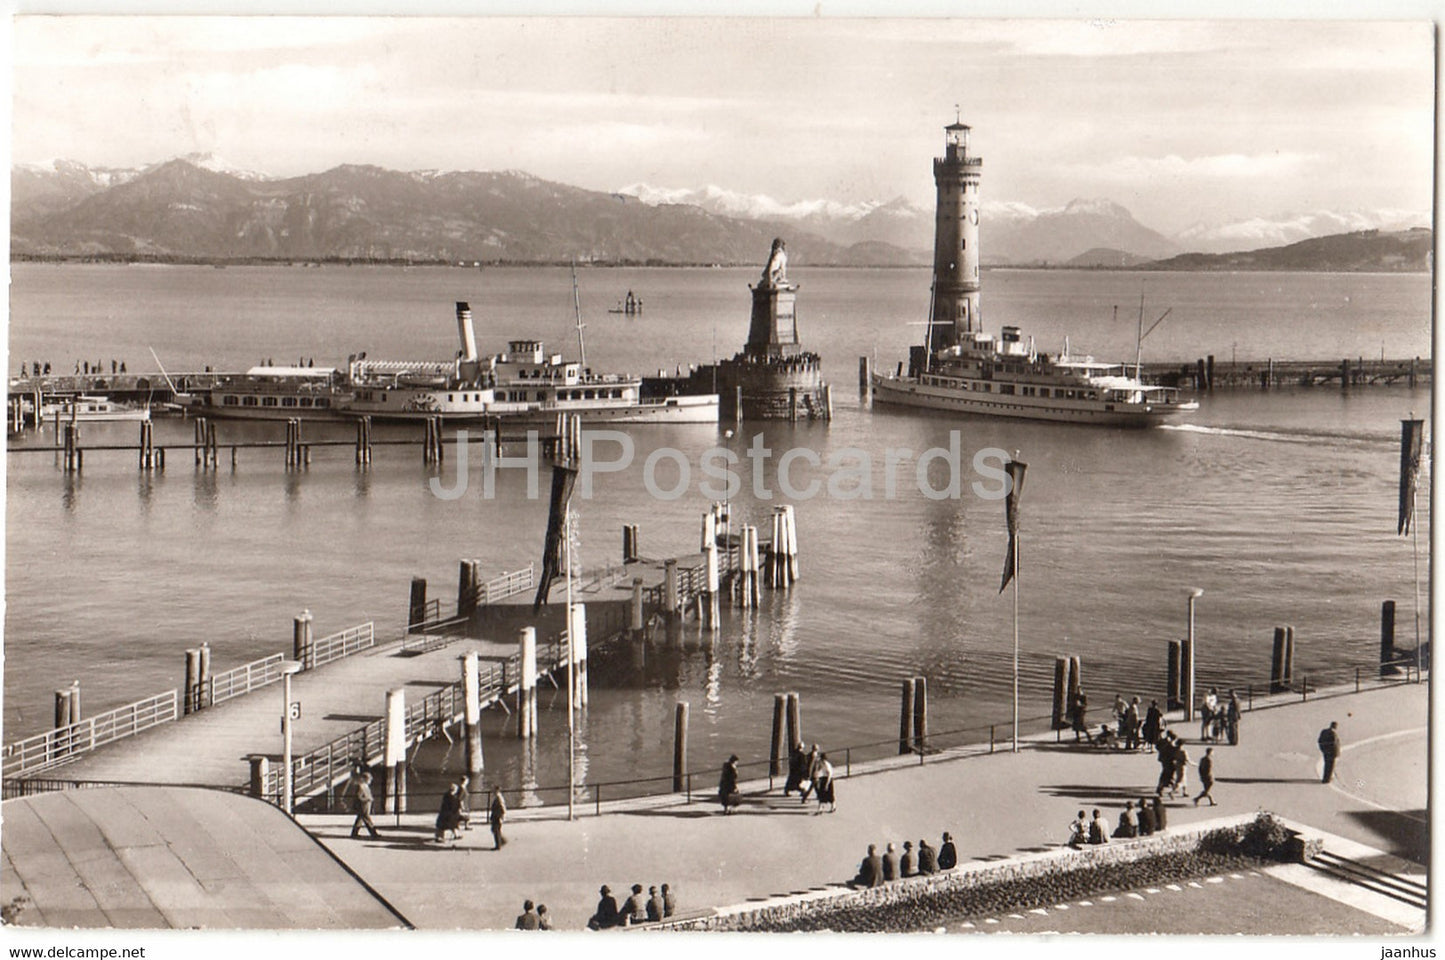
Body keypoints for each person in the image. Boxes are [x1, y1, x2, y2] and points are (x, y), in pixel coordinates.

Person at [349, 769, 381, 839]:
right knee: (366, 818)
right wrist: (367, 800)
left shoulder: (365, 786)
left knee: (360, 819)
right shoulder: (361, 786)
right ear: (364, 779)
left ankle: (354, 833)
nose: (370, 781)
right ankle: (373, 833)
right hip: (364, 804)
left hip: (367, 804)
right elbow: (359, 796)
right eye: (369, 779)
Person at [488, 785, 507, 849]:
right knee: (495, 830)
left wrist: (501, 816)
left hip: (497, 816)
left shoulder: (499, 798)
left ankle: (498, 845)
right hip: (496, 816)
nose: (493, 792)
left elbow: (502, 808)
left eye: (494, 790)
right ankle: (502, 841)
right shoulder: (498, 797)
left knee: (496, 831)